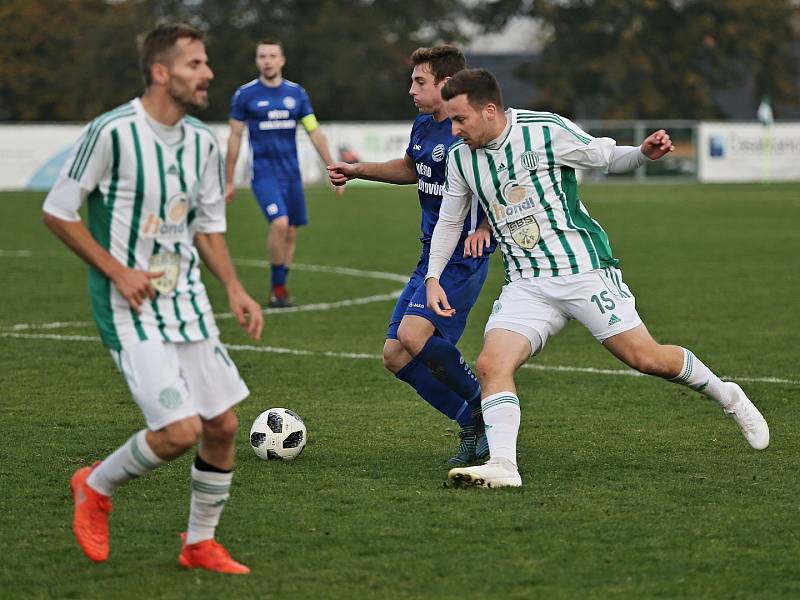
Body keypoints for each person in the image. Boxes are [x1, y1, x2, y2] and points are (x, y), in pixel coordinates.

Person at [425, 68, 770, 489]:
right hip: (527, 282)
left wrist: (642, 153)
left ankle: (729, 396)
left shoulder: (545, 130)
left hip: (584, 271)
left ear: (490, 110)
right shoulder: (462, 158)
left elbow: (606, 155)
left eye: (460, 119)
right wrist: (433, 277)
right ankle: (504, 466)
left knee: (647, 358)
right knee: (491, 364)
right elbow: (449, 220)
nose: (454, 128)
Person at [43, 24, 263, 573]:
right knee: (178, 432)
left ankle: (199, 543)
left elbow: (208, 228)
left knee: (223, 426)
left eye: (206, 62)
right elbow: (58, 210)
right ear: (161, 72)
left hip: (185, 301)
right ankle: (94, 486)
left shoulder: (204, 144)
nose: (207, 73)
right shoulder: (113, 132)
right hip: (131, 306)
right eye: (194, 64)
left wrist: (234, 288)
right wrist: (117, 270)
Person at [328, 46, 496, 465]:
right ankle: (471, 420)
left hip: (464, 256)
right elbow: (410, 168)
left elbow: (505, 179)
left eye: (420, 82)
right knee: (395, 355)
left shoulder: (466, 131)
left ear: (445, 84)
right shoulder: (424, 125)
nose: (411, 90)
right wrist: (358, 170)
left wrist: (486, 226)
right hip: (432, 256)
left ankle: (486, 408)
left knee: (413, 336)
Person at [225, 38, 343, 308]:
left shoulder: (297, 94)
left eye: (272, 56)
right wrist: (229, 180)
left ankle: (280, 288)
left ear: (282, 60)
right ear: (257, 61)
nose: (267, 60)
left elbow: (313, 130)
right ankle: (277, 289)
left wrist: (332, 167)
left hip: (291, 175)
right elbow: (234, 137)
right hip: (264, 174)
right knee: (279, 224)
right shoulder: (245, 95)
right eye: (262, 56)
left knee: (290, 231)